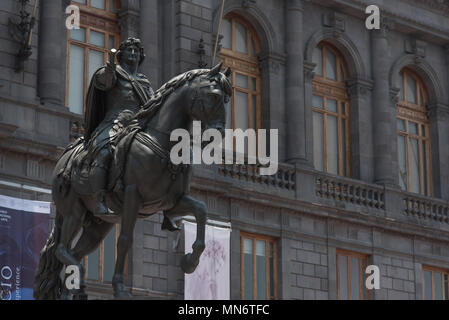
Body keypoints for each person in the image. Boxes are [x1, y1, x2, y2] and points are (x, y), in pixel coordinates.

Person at [84, 38, 154, 217]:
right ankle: (99, 198)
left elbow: (153, 104)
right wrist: (109, 68)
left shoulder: (144, 82)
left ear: (141, 56)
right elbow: (104, 82)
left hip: (137, 126)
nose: (133, 54)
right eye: (129, 50)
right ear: (121, 55)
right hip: (115, 122)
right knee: (104, 151)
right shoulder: (114, 73)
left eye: (136, 51)